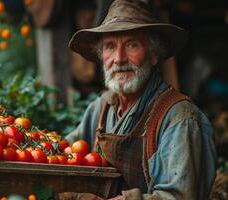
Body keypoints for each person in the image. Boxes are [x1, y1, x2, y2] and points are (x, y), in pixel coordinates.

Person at [63, 0, 217, 199]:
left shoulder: (179, 118)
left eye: (132, 45)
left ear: (154, 54)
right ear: (102, 57)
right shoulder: (101, 108)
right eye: (110, 46)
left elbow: (178, 197)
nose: (119, 58)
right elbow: (66, 150)